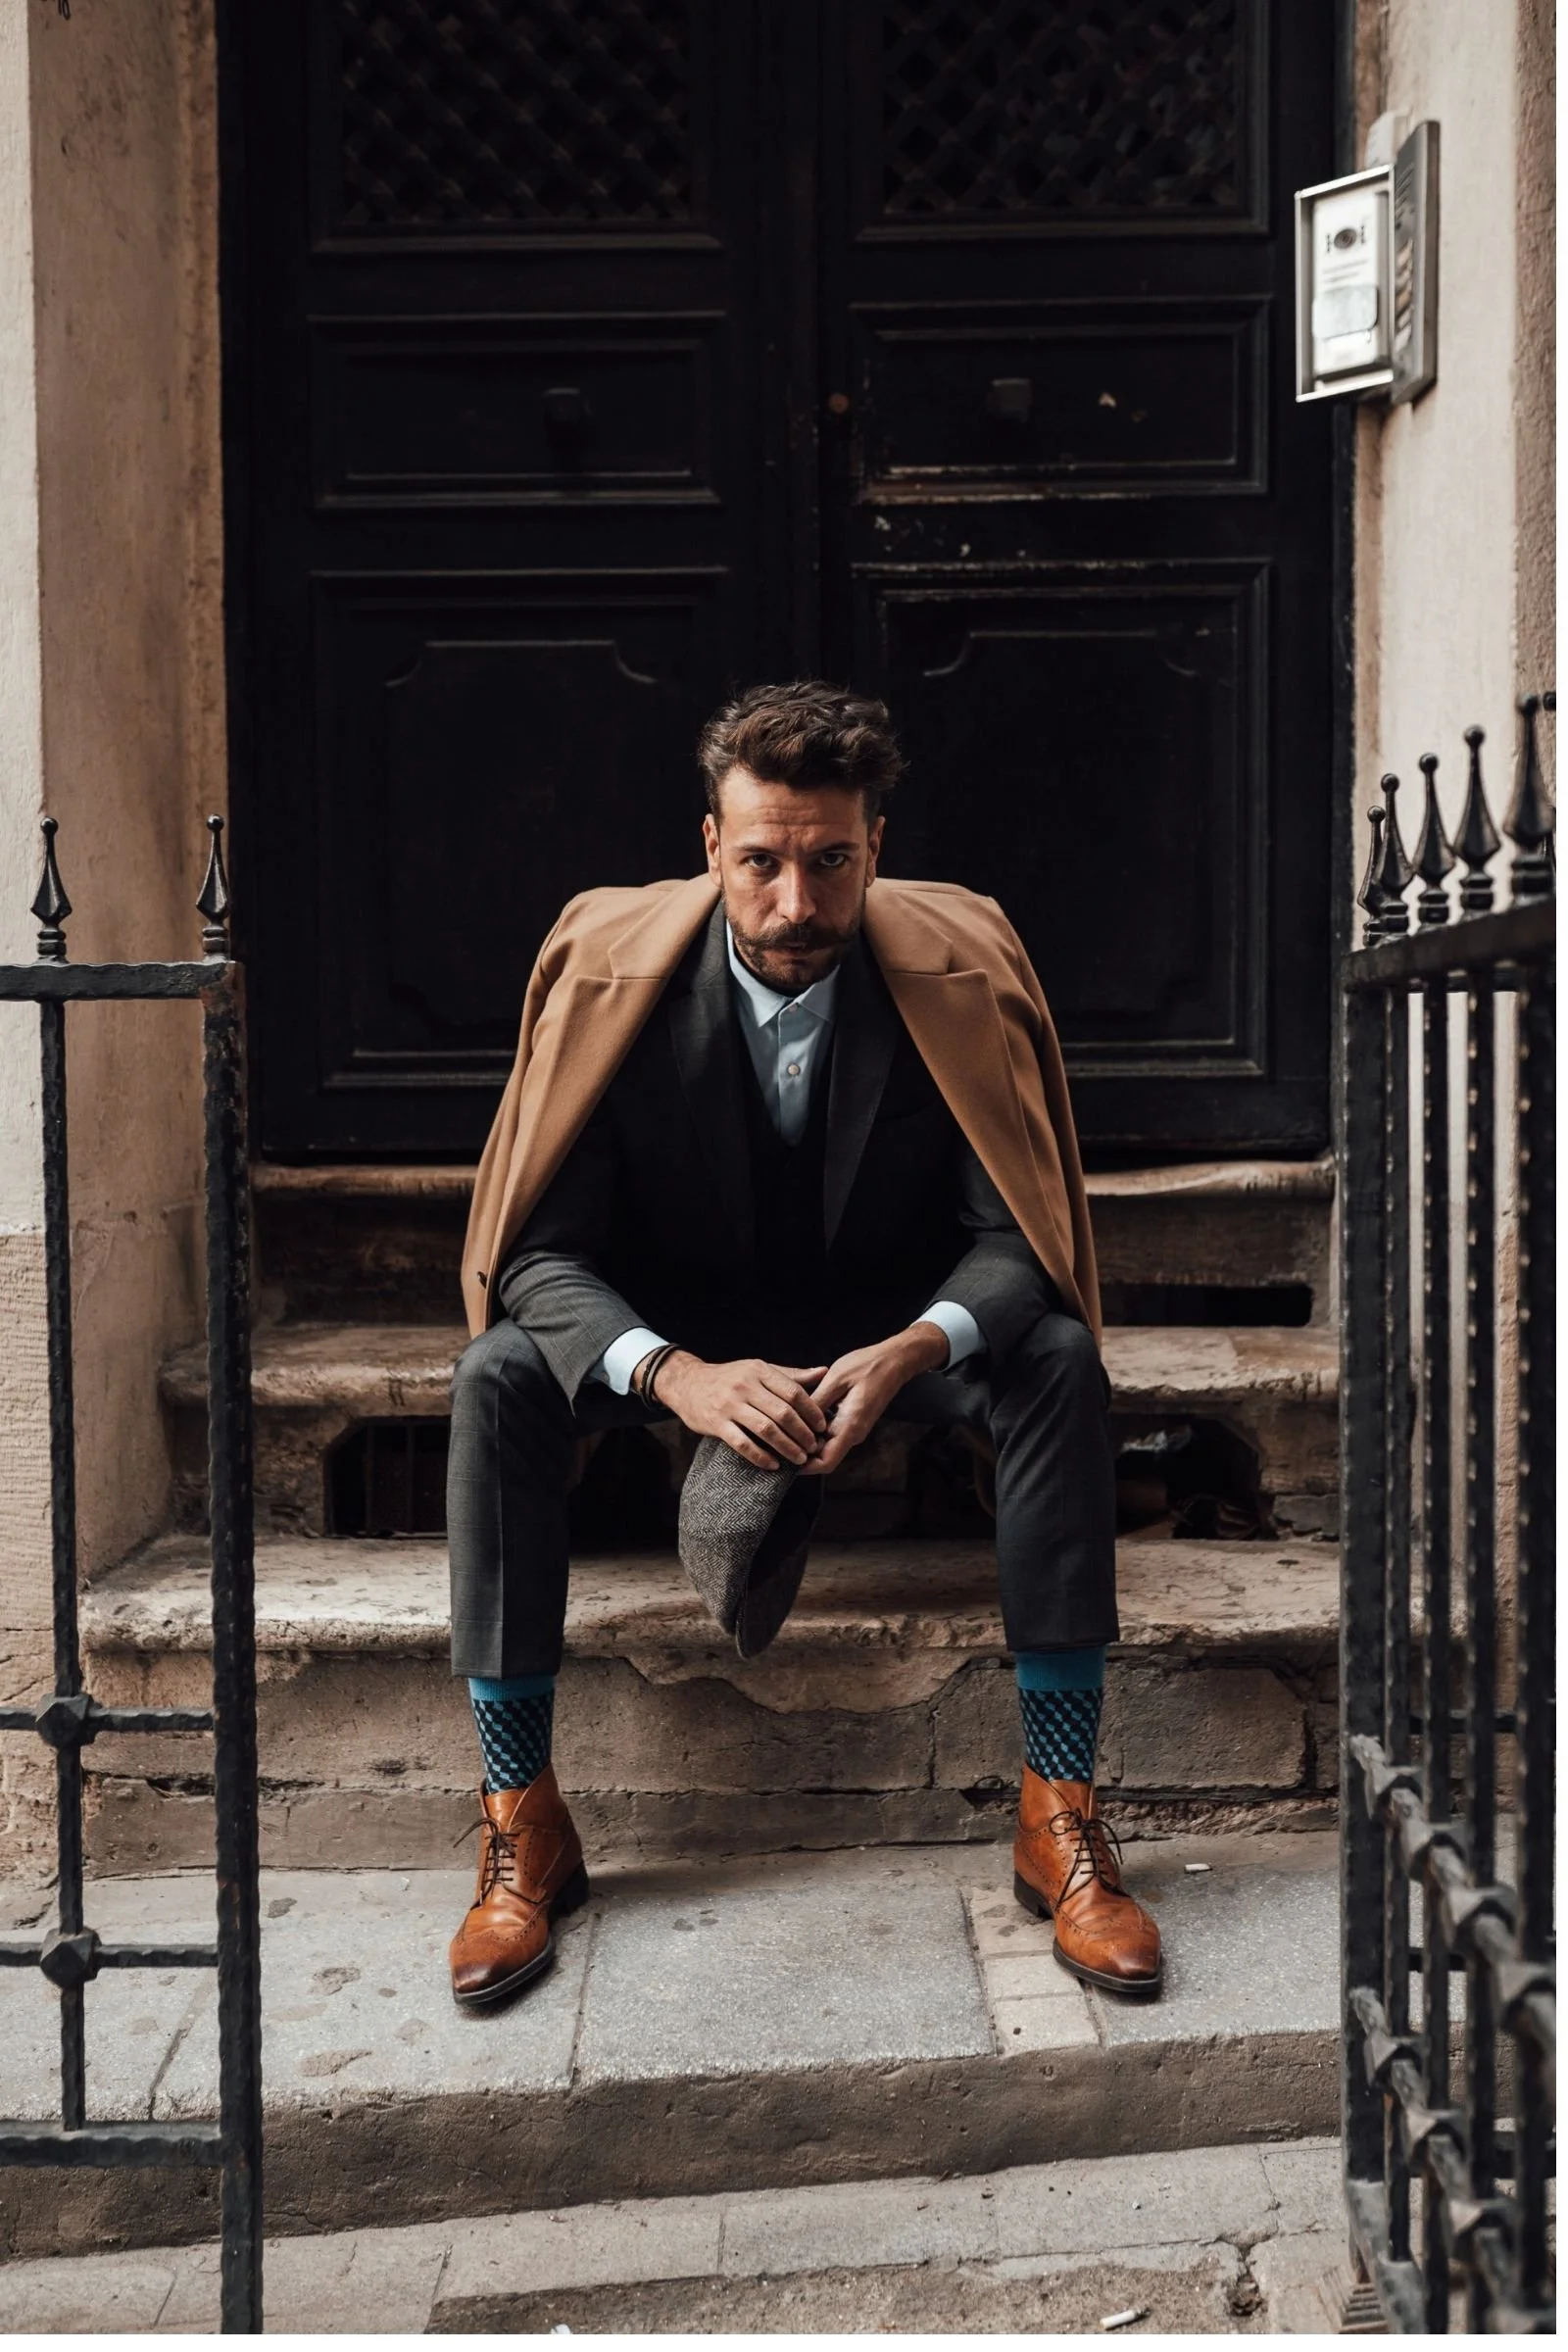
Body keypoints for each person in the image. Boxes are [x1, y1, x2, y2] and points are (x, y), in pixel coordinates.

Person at [445, 680, 1162, 2011]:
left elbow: (1016, 1235)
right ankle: (520, 1819)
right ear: (710, 845)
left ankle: (1057, 1806)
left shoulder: (951, 972)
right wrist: (673, 1375)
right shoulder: (616, 981)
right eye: (762, 861)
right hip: (683, 1335)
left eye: (830, 863)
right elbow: (539, 1255)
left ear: (875, 850)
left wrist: (913, 1350)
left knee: (1056, 1352)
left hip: (883, 1333)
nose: (794, 903)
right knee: (494, 1375)